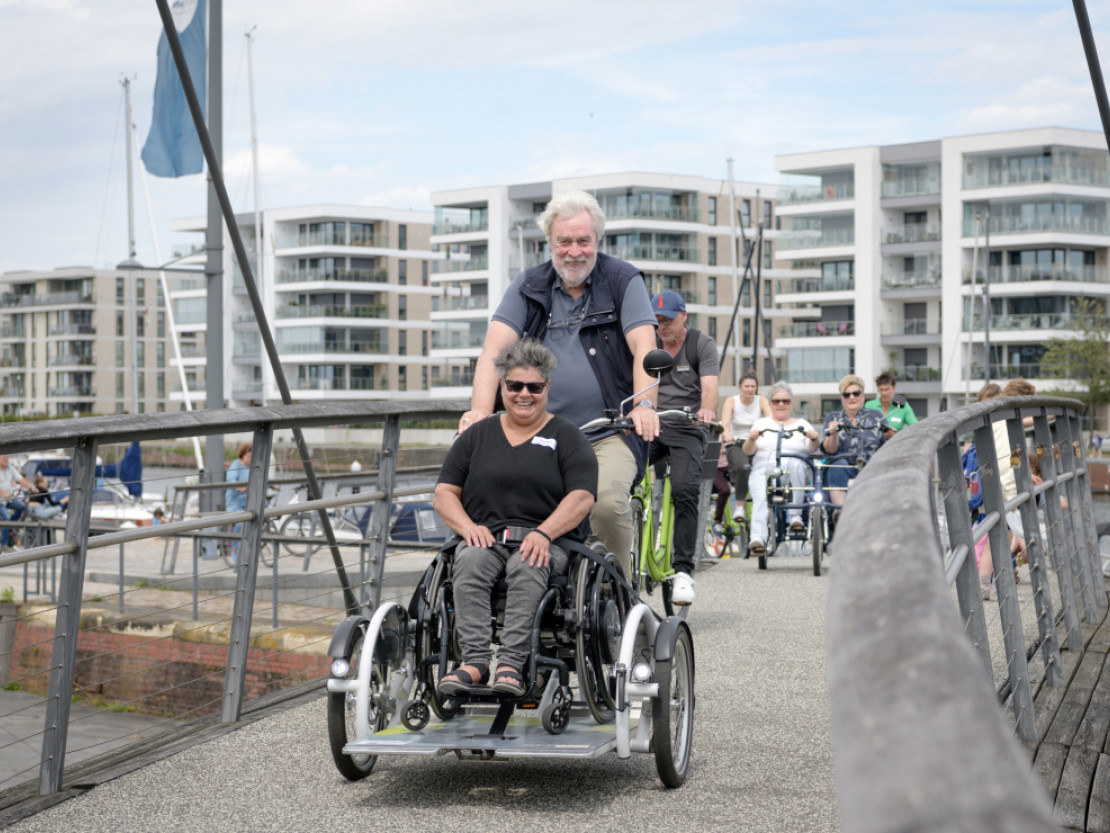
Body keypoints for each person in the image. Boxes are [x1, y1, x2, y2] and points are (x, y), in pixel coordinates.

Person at [459, 190, 659, 578]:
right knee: (507, 503)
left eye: (583, 241)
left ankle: (619, 593)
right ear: (549, 243)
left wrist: (644, 405)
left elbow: (644, 347)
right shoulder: (528, 285)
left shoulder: (622, 280)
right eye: (563, 241)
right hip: (538, 432)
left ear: (597, 241)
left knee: (603, 505)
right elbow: (492, 352)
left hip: (606, 431)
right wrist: (481, 412)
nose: (574, 251)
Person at [434, 340, 597, 696]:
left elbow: (582, 496)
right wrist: (467, 528)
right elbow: (444, 493)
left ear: (547, 388)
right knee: (469, 560)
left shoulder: (567, 437)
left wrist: (545, 532)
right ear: (502, 386)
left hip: (547, 540)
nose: (525, 394)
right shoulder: (476, 435)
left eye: (534, 387)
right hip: (486, 536)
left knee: (528, 562)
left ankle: (511, 664)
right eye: (515, 386)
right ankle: (475, 663)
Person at [647, 289, 719, 604]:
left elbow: (710, 387)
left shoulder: (700, 344)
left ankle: (684, 571)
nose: (662, 327)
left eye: (668, 320)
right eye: (657, 321)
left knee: (683, 489)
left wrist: (706, 410)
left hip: (686, 426)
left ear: (684, 316)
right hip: (648, 423)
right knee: (620, 475)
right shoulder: (647, 341)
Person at [742, 381, 820, 556]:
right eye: (776, 401)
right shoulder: (761, 424)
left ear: (791, 403)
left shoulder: (802, 423)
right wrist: (751, 439)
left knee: (798, 465)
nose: (781, 404)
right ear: (770, 404)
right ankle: (758, 537)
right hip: (766, 465)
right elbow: (748, 451)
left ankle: (795, 517)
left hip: (793, 464)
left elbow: (813, 447)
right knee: (761, 492)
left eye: (785, 401)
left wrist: (814, 438)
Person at [820, 374, 895, 510]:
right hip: (843, 468)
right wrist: (833, 433)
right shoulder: (833, 417)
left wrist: (891, 434)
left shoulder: (875, 416)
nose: (852, 397)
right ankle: (840, 513)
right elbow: (829, 450)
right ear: (842, 398)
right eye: (846, 395)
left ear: (863, 395)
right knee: (837, 464)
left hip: (871, 466)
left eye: (856, 393)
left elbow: (890, 442)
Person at [720, 371, 771, 518]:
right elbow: (725, 424)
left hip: (756, 442)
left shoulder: (761, 400)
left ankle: (766, 502)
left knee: (769, 468)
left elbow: (770, 420)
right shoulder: (731, 401)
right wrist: (727, 435)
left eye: (753, 386)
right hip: (737, 443)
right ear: (740, 387)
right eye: (746, 386)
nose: (750, 389)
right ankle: (740, 505)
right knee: (743, 467)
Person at [224, 443, 253, 560]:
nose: (251, 459)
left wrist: (273, 484)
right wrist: (239, 487)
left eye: (252, 456)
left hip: (248, 501)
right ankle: (235, 548)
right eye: (249, 456)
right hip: (235, 502)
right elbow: (231, 478)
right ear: (243, 455)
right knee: (240, 522)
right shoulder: (236, 464)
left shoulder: (252, 467)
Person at [0, 455, 32, 553]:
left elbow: (20, 479)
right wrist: (4, 494)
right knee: (6, 518)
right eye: (3, 458)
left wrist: (31, 488)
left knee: (21, 506)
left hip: (9, 499)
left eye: (7, 458)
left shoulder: (10, 468)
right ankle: (5, 544)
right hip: (1, 500)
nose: (6, 460)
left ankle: (10, 527)